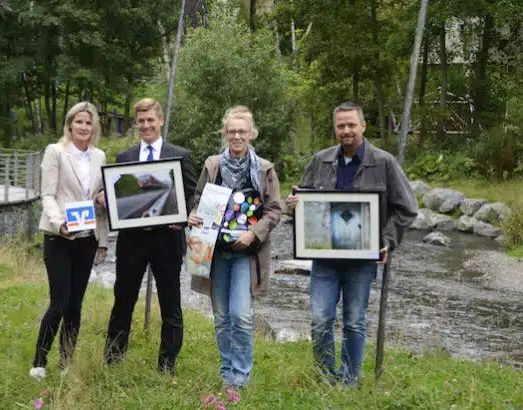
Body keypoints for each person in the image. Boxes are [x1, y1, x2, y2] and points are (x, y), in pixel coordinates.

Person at [286, 102, 418, 385]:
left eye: (351, 125)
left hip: (362, 260)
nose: (346, 131)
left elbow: (407, 208)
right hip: (324, 259)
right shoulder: (320, 160)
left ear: (363, 126)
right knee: (320, 320)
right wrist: (294, 206)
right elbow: (304, 201)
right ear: (335, 129)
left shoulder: (383, 162)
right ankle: (324, 377)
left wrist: (386, 240)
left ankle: (349, 380)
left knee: (354, 321)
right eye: (340, 126)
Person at [189, 106, 282, 389]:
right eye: (232, 131)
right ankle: (227, 373)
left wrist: (253, 234)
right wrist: (193, 215)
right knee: (221, 318)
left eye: (242, 131)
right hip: (215, 253)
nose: (237, 136)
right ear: (225, 133)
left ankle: (240, 378)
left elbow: (275, 211)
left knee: (241, 315)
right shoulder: (212, 165)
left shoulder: (265, 169)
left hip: (246, 255)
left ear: (251, 133)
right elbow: (198, 200)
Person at [104, 98, 197, 374]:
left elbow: (192, 194)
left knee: (170, 305)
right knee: (123, 301)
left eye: (150, 120)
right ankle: (113, 360)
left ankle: (167, 365)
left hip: (168, 241)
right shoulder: (125, 158)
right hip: (131, 242)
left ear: (160, 121)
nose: (146, 125)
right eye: (141, 121)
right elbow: (119, 198)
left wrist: (183, 216)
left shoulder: (179, 155)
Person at [30, 102, 109, 379]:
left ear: (94, 127)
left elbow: (100, 198)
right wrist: (58, 222)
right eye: (79, 122)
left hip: (86, 238)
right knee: (59, 302)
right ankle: (39, 362)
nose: (84, 127)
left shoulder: (100, 156)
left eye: (88, 123)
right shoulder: (56, 152)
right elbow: (48, 194)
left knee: (76, 304)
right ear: (69, 124)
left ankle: (66, 362)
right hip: (59, 236)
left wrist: (103, 235)